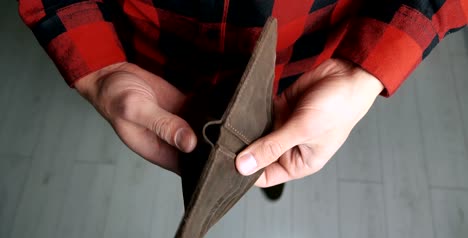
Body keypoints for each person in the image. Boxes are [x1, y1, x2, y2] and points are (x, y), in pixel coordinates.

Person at [19, 1, 467, 189]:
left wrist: (360, 74)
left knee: (282, 140)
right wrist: (98, 68)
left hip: (305, 62)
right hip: (154, 57)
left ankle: (263, 176)